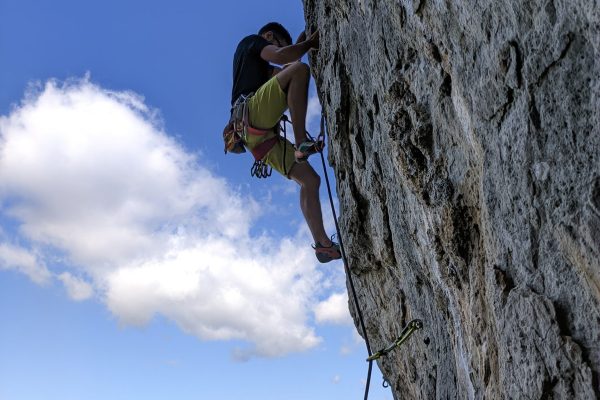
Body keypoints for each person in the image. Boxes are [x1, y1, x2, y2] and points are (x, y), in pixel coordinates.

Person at [230, 22, 341, 263]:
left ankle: (322, 244)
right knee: (300, 71)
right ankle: (301, 141)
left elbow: (285, 64)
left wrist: (301, 41)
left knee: (310, 181)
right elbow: (285, 58)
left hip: (258, 138)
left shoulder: (260, 71)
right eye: (275, 43)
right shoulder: (253, 42)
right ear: (269, 36)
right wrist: (310, 43)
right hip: (251, 116)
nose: (275, 49)